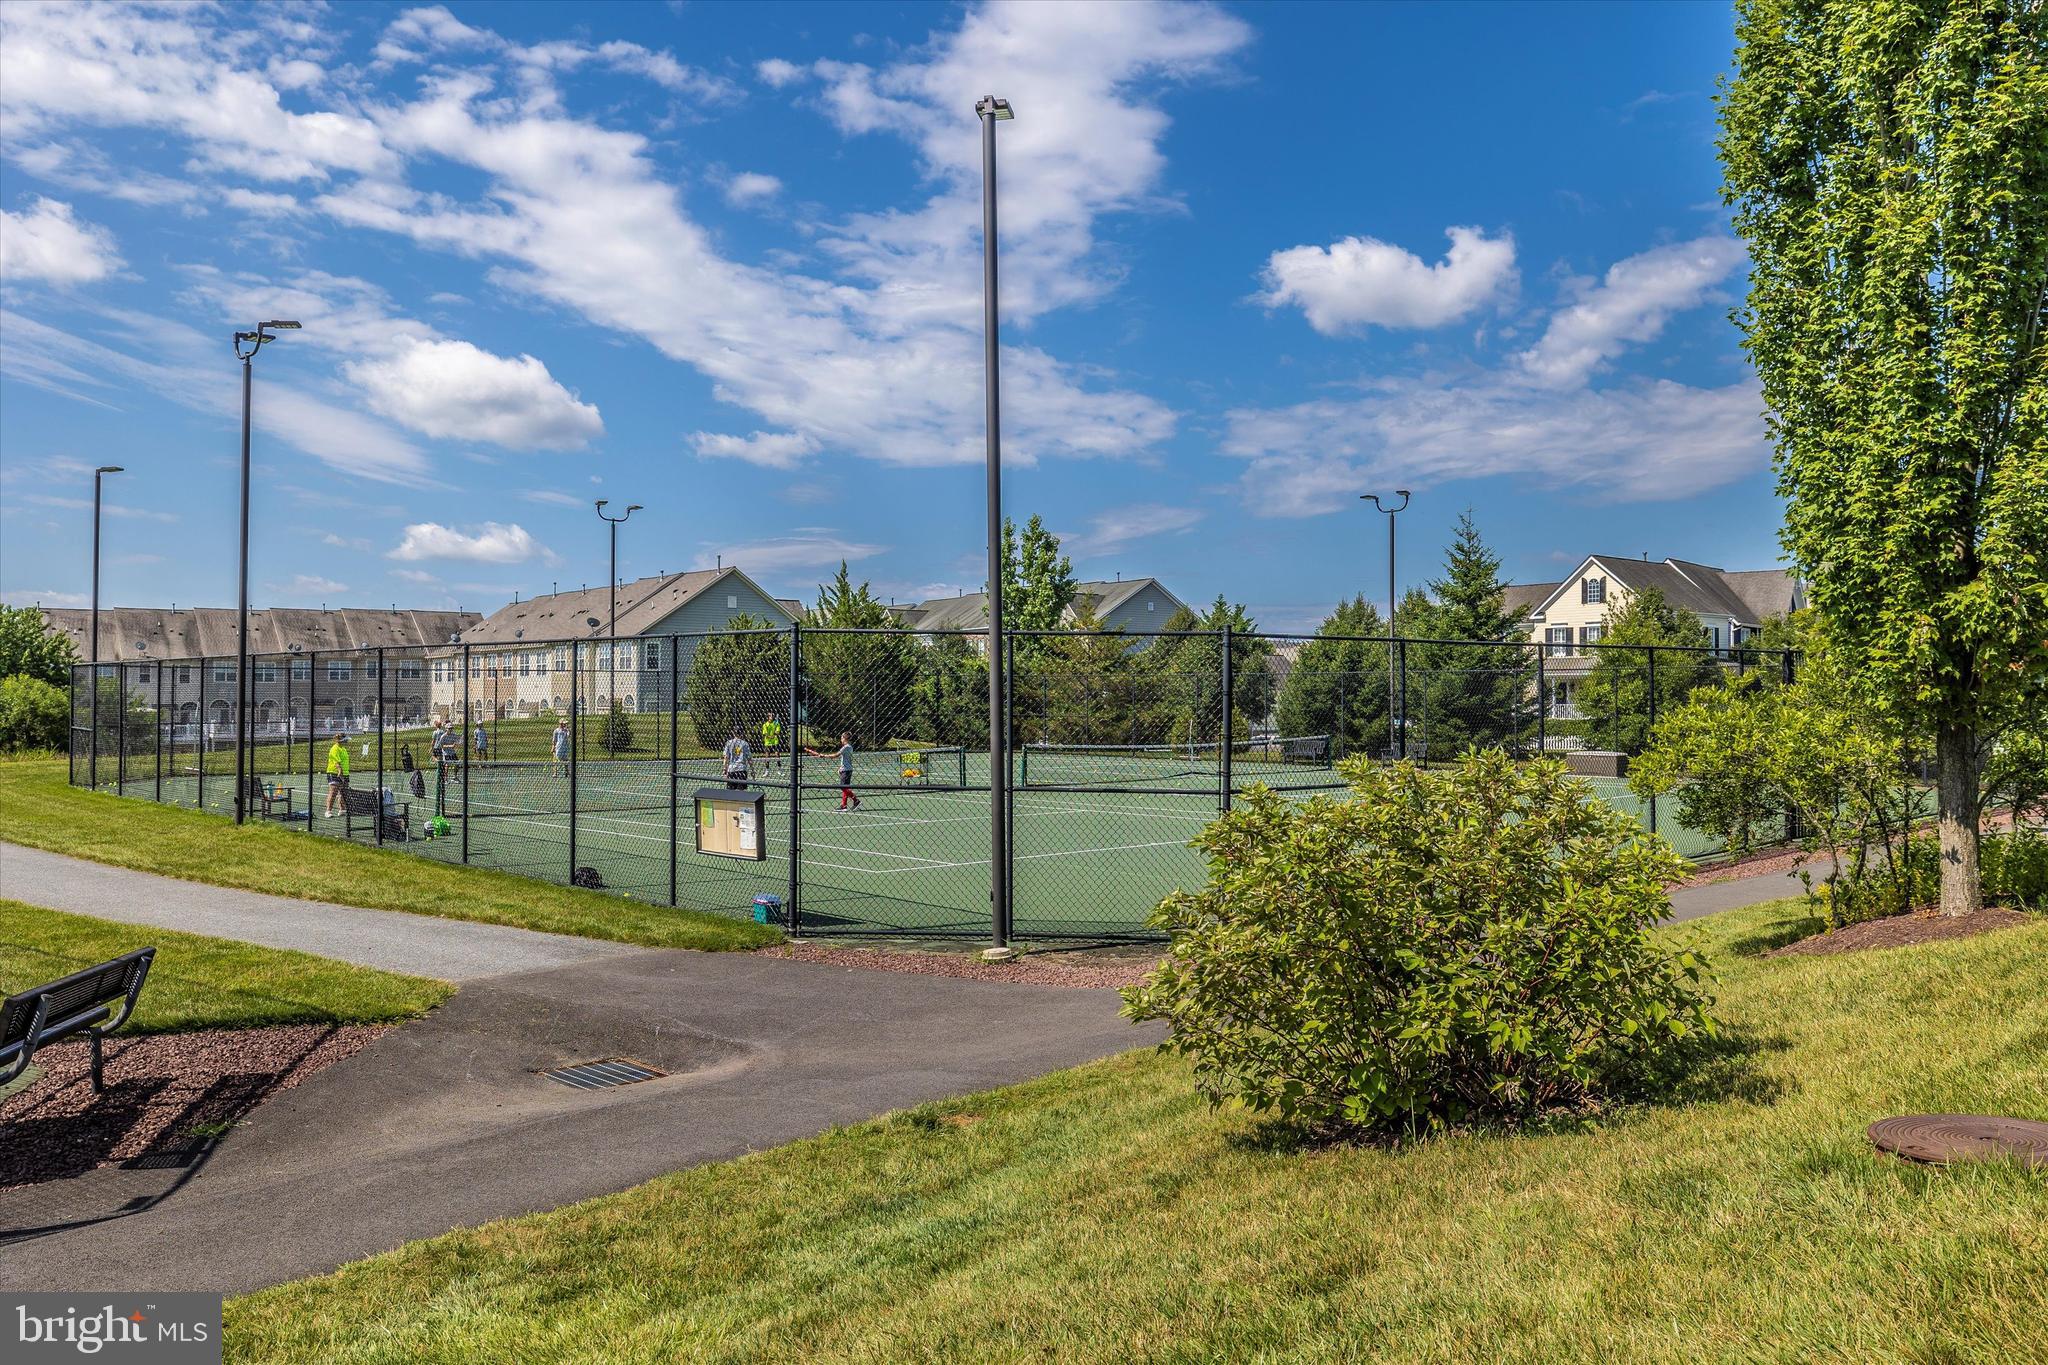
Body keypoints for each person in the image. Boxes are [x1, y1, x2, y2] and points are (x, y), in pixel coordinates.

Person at [806, 731, 860, 811]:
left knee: (843, 787)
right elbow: (844, 759)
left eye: (841, 737)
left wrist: (824, 756)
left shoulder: (846, 747)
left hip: (846, 770)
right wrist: (840, 767)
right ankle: (844, 805)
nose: (841, 739)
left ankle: (856, 800)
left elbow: (836, 755)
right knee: (845, 787)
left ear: (845, 738)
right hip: (845, 769)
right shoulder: (849, 747)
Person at [324, 732, 351, 817]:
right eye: (345, 740)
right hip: (334, 773)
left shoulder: (343, 748)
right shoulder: (334, 749)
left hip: (345, 773)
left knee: (343, 792)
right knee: (333, 792)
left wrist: (344, 774)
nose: (346, 741)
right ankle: (328, 811)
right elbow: (336, 763)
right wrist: (340, 773)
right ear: (340, 740)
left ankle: (342, 809)